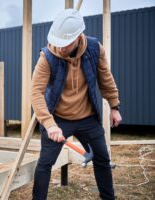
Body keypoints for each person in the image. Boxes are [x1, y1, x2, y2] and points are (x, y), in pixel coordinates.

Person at [31, 9, 122, 200]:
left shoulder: (94, 49)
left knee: (102, 158)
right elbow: (36, 93)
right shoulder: (46, 57)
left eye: (65, 44)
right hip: (58, 119)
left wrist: (114, 106)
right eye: (57, 43)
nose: (60, 47)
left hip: (87, 117)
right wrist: (49, 124)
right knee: (45, 163)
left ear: (77, 37)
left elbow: (106, 78)